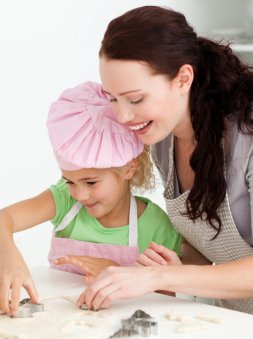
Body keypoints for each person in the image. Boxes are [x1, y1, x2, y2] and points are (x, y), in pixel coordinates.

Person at [77, 6, 253, 314]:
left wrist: (162, 275)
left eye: (135, 99)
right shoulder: (161, 140)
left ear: (183, 78)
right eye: (113, 99)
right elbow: (211, 247)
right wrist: (165, 266)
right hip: (235, 324)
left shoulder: (247, 136)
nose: (123, 116)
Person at [0, 81, 181, 315]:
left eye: (91, 182)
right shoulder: (66, 201)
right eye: (70, 181)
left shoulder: (156, 227)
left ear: (128, 168)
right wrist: (9, 255)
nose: (80, 194)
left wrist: (119, 272)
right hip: (60, 319)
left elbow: (166, 296)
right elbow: (4, 218)